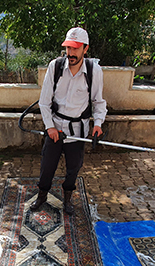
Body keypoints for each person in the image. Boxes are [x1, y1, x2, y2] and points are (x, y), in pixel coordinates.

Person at [30, 27, 106, 215]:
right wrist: (50, 127)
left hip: (78, 132)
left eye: (75, 48)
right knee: (47, 166)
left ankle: (68, 199)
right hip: (55, 128)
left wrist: (98, 123)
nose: (71, 53)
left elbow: (98, 101)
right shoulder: (55, 67)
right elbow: (44, 102)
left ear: (85, 49)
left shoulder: (93, 71)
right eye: (68, 48)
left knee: (73, 168)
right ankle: (41, 196)